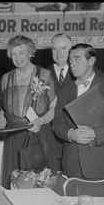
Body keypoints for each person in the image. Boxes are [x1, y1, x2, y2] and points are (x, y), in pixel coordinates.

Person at [53, 43, 104, 180]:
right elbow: (57, 123)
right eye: (70, 60)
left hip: (98, 165)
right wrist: (70, 134)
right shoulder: (65, 90)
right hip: (71, 164)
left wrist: (94, 133)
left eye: (77, 59)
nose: (72, 65)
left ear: (91, 61)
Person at [0, 35, 58, 189]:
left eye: (21, 52)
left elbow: (54, 108)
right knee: (15, 186)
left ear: (30, 52)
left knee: (40, 185)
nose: (17, 57)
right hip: (14, 139)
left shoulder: (44, 75)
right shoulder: (5, 79)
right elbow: (3, 112)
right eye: (14, 54)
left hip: (39, 136)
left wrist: (41, 121)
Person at [46, 33, 76, 170]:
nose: (58, 53)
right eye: (54, 49)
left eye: (63, 48)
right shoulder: (42, 73)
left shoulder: (81, 72)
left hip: (74, 140)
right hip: (49, 140)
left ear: (71, 50)